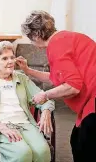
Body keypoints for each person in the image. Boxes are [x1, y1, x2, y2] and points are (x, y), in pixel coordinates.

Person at [17, 10, 96, 162]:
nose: (32, 43)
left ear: (36, 35)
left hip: (94, 101)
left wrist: (45, 95)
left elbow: (73, 86)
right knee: (77, 139)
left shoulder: (56, 46)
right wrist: (28, 70)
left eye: (30, 39)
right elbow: (59, 80)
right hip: (90, 101)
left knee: (83, 147)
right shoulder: (67, 37)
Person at [0, 41, 54, 162]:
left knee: (43, 152)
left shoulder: (22, 78)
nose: (10, 61)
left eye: (12, 57)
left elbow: (43, 97)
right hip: (0, 126)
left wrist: (46, 110)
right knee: (22, 153)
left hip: (25, 125)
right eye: (4, 58)